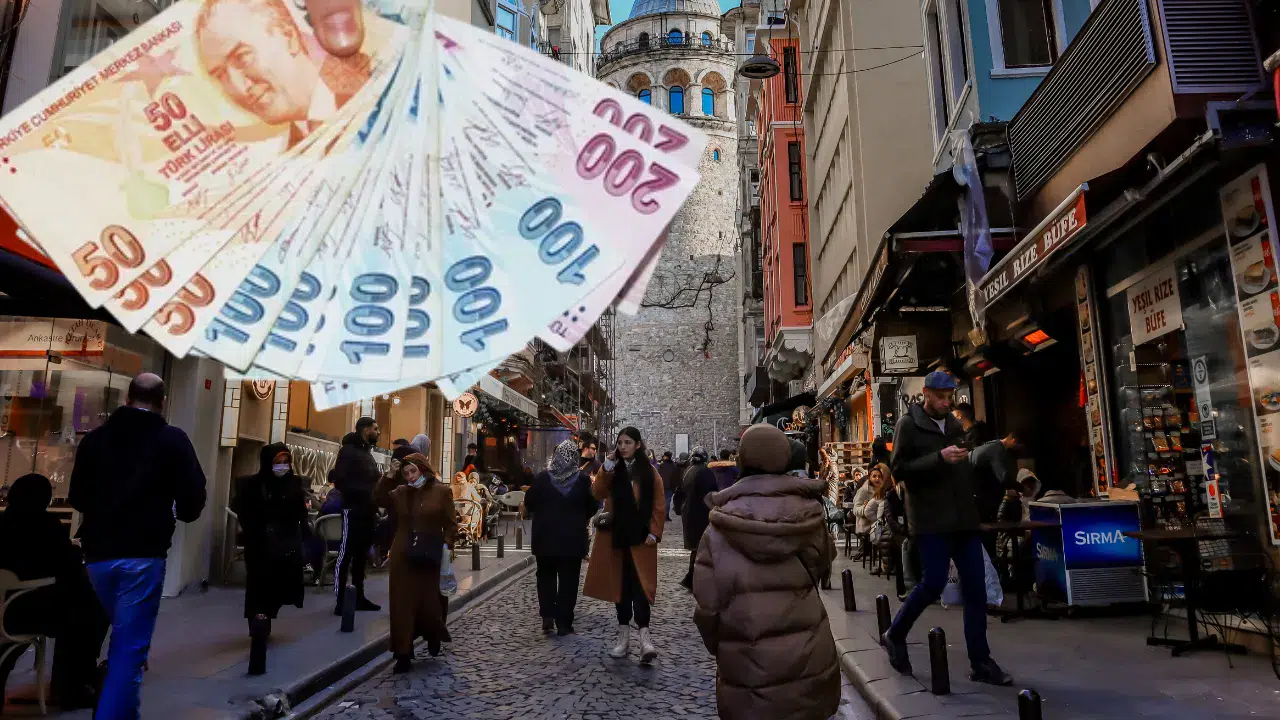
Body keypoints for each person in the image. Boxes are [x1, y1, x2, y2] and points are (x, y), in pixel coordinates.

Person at [69, 373, 207, 720]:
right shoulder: (172, 440)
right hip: (143, 556)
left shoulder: (96, 439)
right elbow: (193, 499)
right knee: (128, 652)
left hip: (98, 557)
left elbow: (78, 497)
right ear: (163, 402)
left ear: (127, 398)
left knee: (124, 640)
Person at [693, 424, 839, 720]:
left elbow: (708, 606)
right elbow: (823, 565)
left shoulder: (718, 528)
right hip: (809, 654)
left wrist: (722, 646)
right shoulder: (809, 515)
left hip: (748, 662)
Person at [883, 371, 1012, 686]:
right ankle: (895, 633)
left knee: (976, 589)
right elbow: (898, 470)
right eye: (940, 396)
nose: (946, 402)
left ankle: (981, 662)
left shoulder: (954, 425)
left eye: (950, 396)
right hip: (930, 520)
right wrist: (938, 458)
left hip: (963, 519)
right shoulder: (908, 425)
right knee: (933, 583)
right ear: (926, 393)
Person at [194, 0, 374, 151]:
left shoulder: (375, 78)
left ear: (289, 36)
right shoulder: (292, 157)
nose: (239, 87)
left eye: (242, 58)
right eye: (221, 76)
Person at [0, 474, 107, 711]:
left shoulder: (3, 524)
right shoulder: (46, 526)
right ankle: (71, 686)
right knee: (85, 611)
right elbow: (67, 565)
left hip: (6, 609)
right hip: (34, 611)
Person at [583, 427, 666, 665]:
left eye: (628, 442)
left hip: (641, 538)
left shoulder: (649, 472)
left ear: (638, 444)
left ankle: (645, 641)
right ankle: (623, 639)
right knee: (620, 589)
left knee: (641, 588)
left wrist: (655, 532)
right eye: (620, 442)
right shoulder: (613, 469)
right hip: (617, 538)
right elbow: (598, 492)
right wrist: (606, 468)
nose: (623, 447)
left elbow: (659, 504)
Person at [374, 453, 457, 673]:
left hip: (430, 552)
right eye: (406, 473)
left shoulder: (441, 492)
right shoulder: (401, 492)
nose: (410, 476)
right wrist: (389, 476)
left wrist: (447, 545)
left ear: (423, 469)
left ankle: (433, 634)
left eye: (413, 471)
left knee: (431, 601)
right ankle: (403, 652)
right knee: (402, 603)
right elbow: (379, 499)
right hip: (403, 553)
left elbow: (451, 524)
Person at [231, 443, 307, 675]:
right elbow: (243, 511)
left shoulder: (293, 484)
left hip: (284, 546)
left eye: (285, 462)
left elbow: (300, 513)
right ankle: (258, 625)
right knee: (258, 586)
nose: (282, 467)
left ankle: (265, 620)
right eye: (277, 462)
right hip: (259, 545)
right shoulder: (252, 485)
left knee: (277, 585)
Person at [524, 440, 598, 635]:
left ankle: (547, 615)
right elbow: (592, 506)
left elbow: (529, 501)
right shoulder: (582, 481)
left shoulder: (542, 478)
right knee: (569, 581)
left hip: (545, 538)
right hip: (571, 540)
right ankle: (564, 622)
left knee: (545, 576)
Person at [331, 416, 382, 614]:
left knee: (361, 557)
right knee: (345, 555)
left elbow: (374, 479)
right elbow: (341, 480)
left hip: (368, 511)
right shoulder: (348, 451)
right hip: (352, 510)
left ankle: (358, 597)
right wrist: (365, 492)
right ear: (365, 430)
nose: (378, 432)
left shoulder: (367, 453)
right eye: (375, 429)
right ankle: (340, 600)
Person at [970, 430, 1021, 558]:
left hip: (975, 499)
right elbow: (1003, 477)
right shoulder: (997, 449)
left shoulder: (987, 447)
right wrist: (1021, 487)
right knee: (987, 540)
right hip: (982, 502)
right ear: (1013, 440)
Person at [673, 447, 716, 591]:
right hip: (701, 513)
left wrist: (679, 508)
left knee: (697, 547)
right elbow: (711, 494)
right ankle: (692, 578)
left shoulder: (688, 471)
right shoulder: (705, 472)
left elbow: (679, 492)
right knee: (701, 546)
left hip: (689, 513)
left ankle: (692, 578)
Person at [853, 464, 887, 565]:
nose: (877, 479)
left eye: (879, 476)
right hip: (866, 524)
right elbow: (855, 510)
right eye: (874, 476)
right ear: (870, 477)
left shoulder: (884, 490)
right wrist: (865, 508)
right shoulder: (863, 491)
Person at [656, 451, 678, 521]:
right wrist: (674, 487)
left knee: (662, 502)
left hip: (662, 486)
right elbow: (675, 478)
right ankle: (666, 516)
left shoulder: (662, 465)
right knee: (667, 502)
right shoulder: (673, 466)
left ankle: (662, 515)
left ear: (666, 456)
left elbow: (658, 476)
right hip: (669, 487)